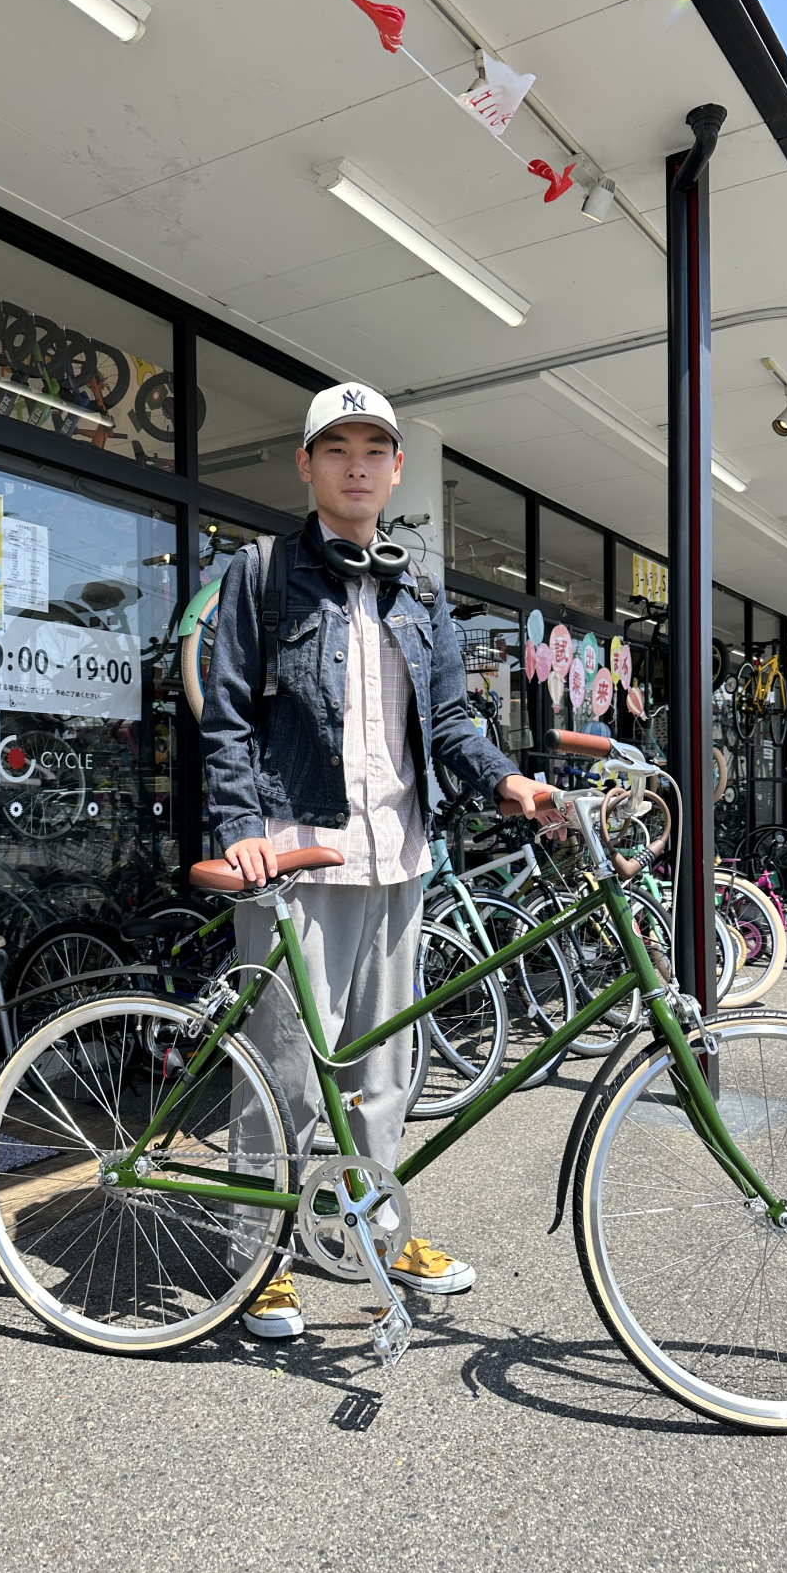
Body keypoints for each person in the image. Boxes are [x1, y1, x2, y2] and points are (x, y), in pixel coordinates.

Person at [200, 381, 546, 1338]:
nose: (356, 465)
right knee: (283, 1071)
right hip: (295, 856)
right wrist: (241, 826)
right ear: (307, 465)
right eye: (337, 448)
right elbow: (226, 718)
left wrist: (515, 787)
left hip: (400, 860)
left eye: (374, 450)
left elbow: (445, 727)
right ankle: (262, 1257)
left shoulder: (423, 595)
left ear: (396, 470)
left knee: (387, 1072)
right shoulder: (262, 573)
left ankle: (376, 1231)